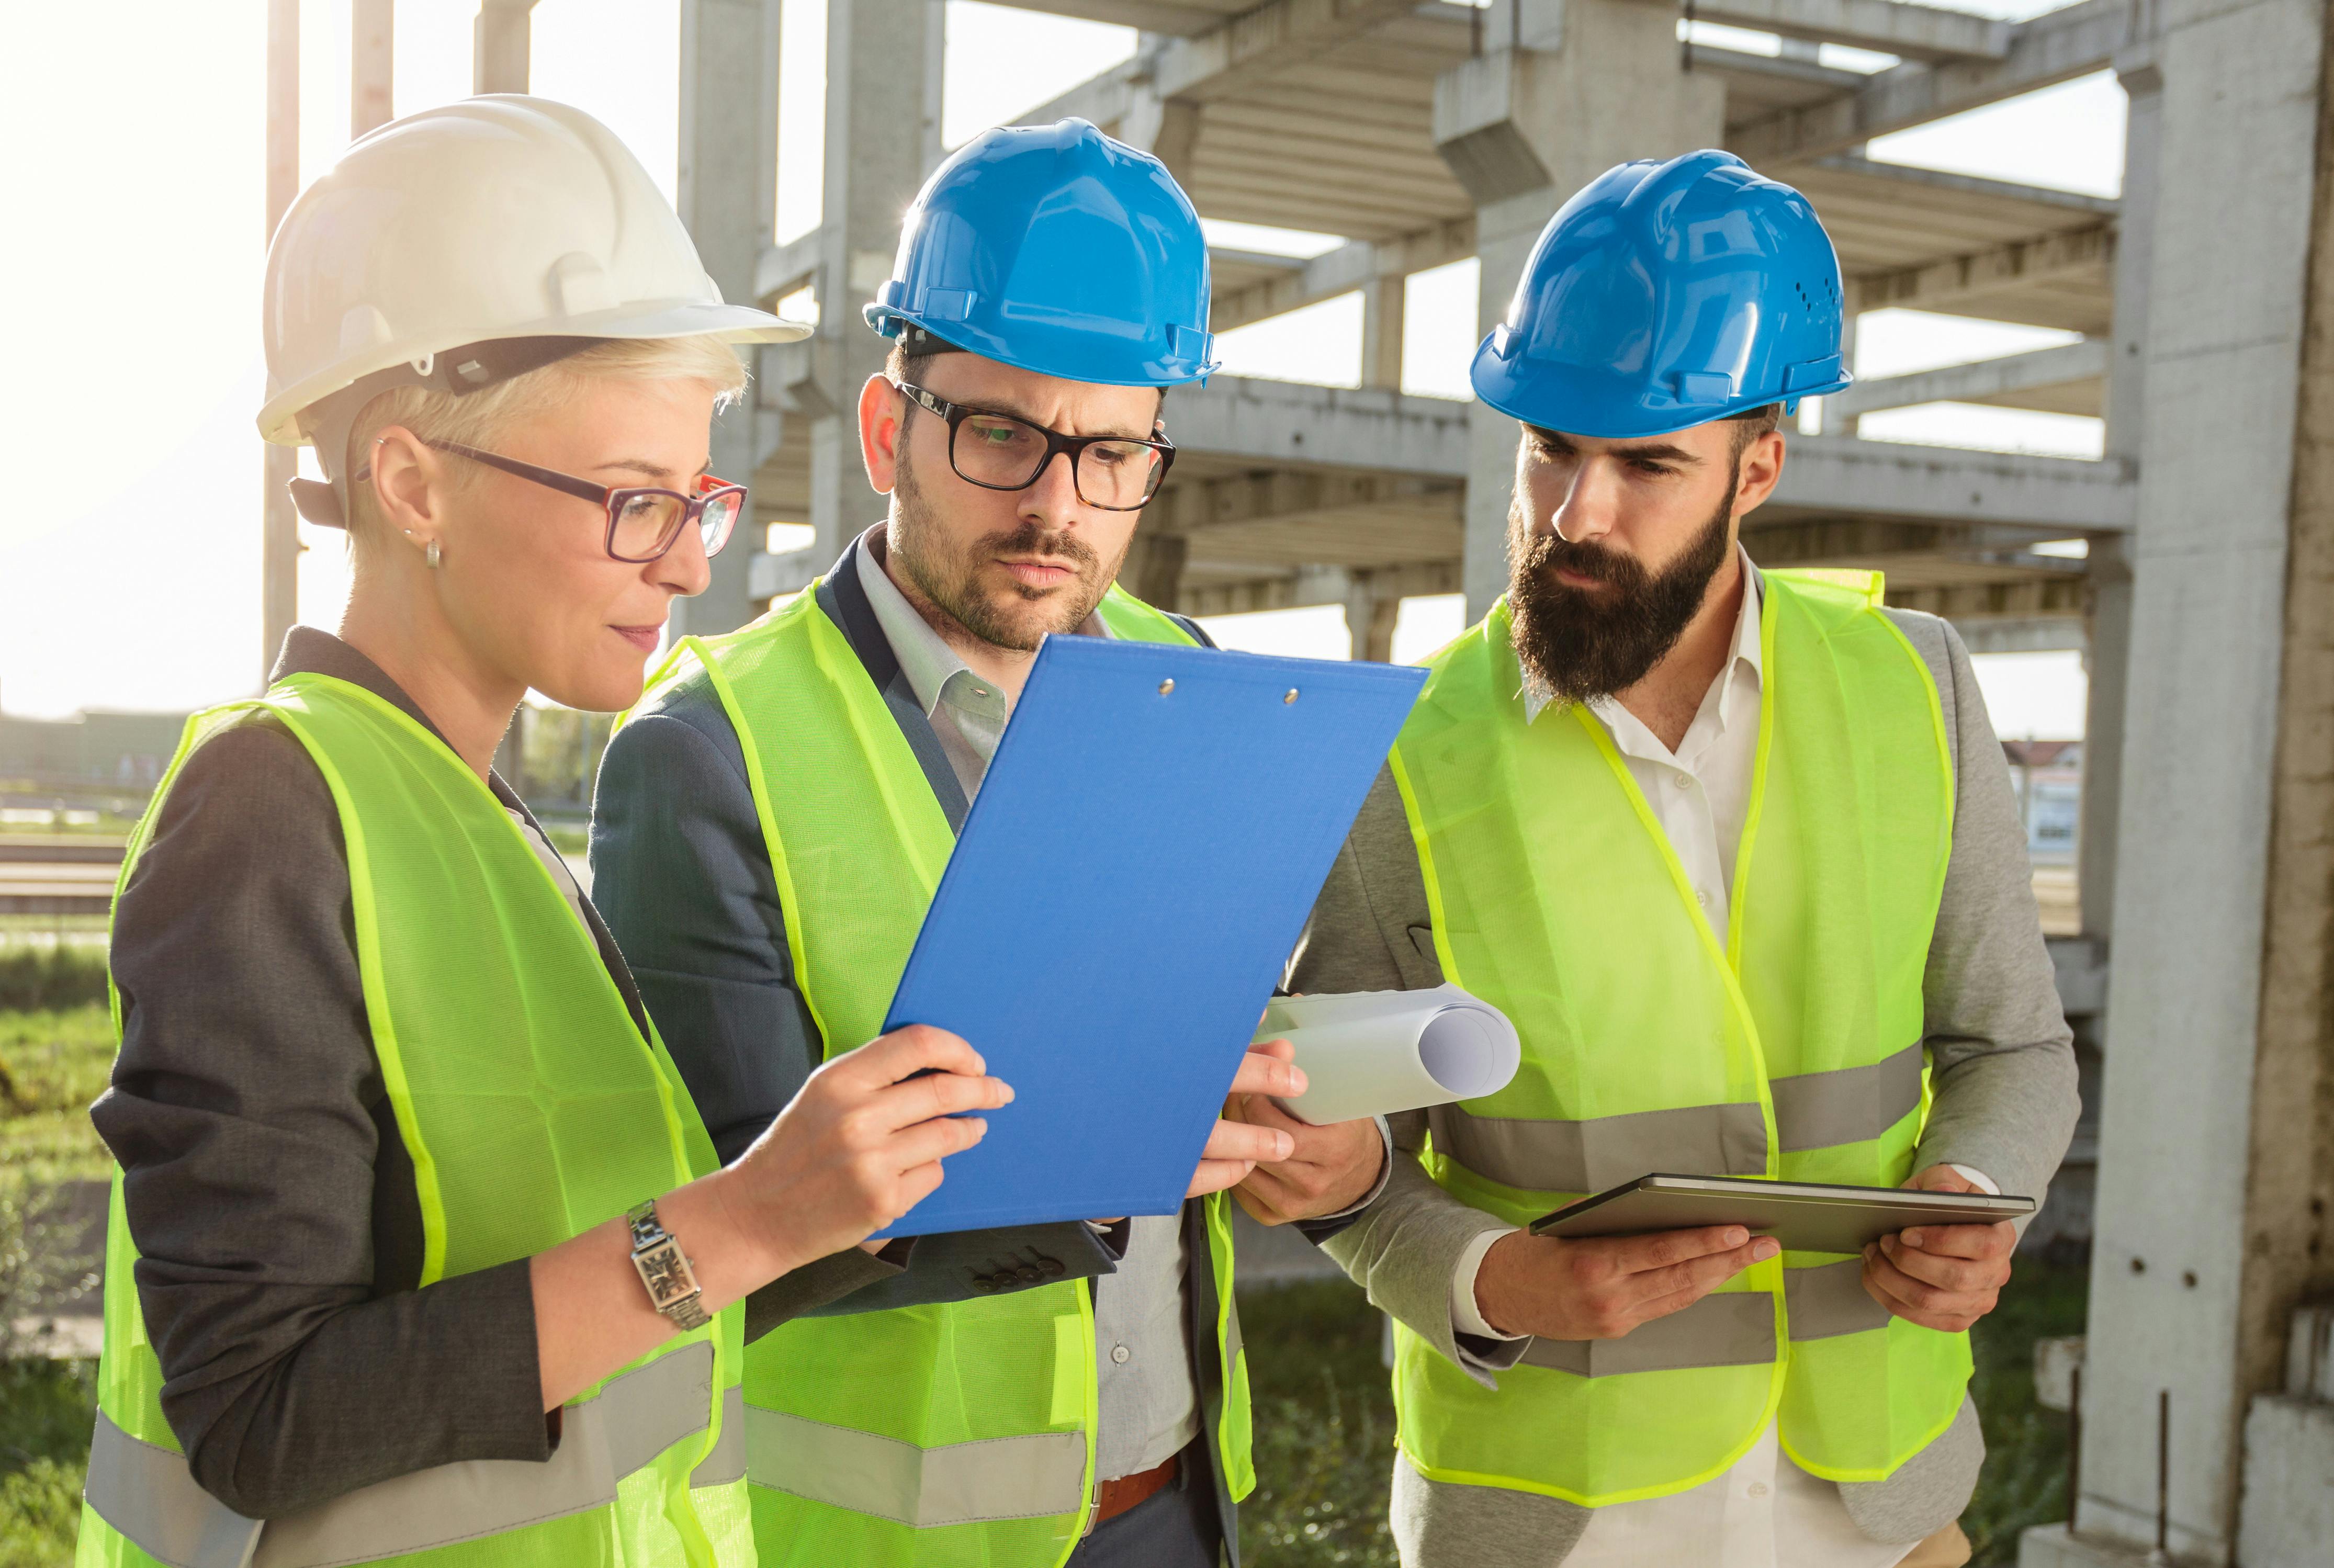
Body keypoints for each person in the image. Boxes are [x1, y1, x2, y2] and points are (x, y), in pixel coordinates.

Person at [77, 98, 1010, 1568]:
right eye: (636, 503)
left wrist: (855, 1190)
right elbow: (259, 1413)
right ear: (412, 483)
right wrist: (741, 1222)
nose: (690, 563)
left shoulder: (476, 815)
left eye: (698, 500)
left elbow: (592, 1292)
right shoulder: (268, 810)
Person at [590, 117, 1391, 1568]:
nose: (1054, 506)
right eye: (1002, 435)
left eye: (1109, 452)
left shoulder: (1193, 675)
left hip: (1176, 1501)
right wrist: (1089, 1155)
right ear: (888, 430)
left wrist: (1302, 1124)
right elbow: (720, 1248)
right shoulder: (707, 752)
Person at [1290, 151, 2080, 1568]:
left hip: (1876, 1511)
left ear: (1758, 465)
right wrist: (1495, 1281)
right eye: (1549, 447)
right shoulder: (1398, 753)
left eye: (1649, 464)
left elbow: (2013, 1050)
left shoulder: (1917, 690)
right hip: (1546, 1518)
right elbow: (1337, 1159)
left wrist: (1974, 1195)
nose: (1575, 514)